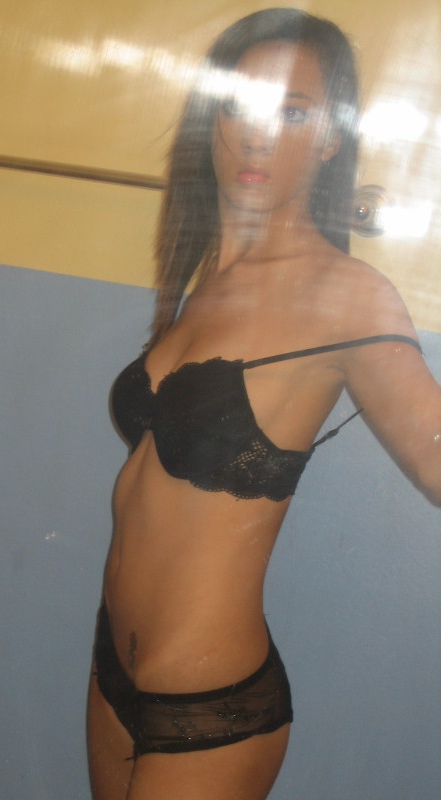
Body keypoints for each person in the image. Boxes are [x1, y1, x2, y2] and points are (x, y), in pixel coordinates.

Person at [86, 8, 441, 799]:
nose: (256, 136)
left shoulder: (348, 295)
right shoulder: (209, 276)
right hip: (112, 673)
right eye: (239, 105)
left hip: (211, 705)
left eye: (293, 113)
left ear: (331, 138)